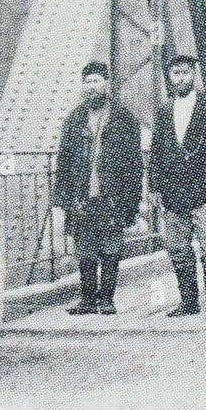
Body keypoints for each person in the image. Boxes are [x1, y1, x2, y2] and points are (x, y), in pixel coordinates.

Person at [51, 61, 144, 316]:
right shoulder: (74, 119)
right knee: (85, 248)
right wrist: (62, 197)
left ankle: (107, 299)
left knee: (111, 247)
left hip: (112, 196)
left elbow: (134, 163)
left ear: (107, 84)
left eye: (96, 81)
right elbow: (64, 160)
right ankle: (88, 300)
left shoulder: (124, 119)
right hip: (82, 196)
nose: (91, 87)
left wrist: (132, 201)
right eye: (87, 82)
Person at [149, 54, 206, 317]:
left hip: (203, 188)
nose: (180, 78)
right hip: (173, 190)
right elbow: (156, 151)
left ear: (194, 75)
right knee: (177, 247)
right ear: (170, 78)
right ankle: (188, 302)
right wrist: (154, 187)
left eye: (185, 73)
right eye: (175, 74)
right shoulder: (164, 111)